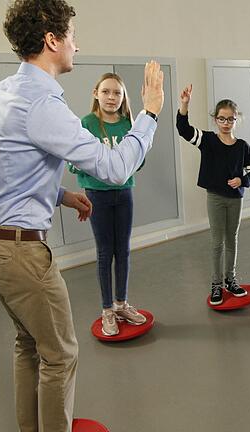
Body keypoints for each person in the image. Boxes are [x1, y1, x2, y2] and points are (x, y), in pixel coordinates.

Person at [0, 1, 164, 430]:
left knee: (29, 343)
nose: (77, 43)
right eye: (71, 34)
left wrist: (62, 195)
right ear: (52, 40)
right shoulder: (43, 105)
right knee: (61, 354)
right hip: (18, 253)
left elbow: (4, 173)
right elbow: (113, 168)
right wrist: (149, 114)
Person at [68, 73, 147, 336]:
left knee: (123, 250)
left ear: (123, 97)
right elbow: (72, 160)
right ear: (96, 93)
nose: (111, 98)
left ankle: (121, 303)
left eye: (117, 93)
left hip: (124, 193)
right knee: (105, 252)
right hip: (97, 195)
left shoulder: (128, 124)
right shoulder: (87, 124)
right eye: (106, 92)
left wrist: (128, 164)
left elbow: (138, 158)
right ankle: (107, 310)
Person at [175, 84, 250, 305]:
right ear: (215, 120)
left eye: (230, 119)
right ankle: (216, 284)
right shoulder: (208, 140)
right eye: (222, 119)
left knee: (232, 240)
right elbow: (184, 129)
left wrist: (243, 180)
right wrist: (184, 104)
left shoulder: (242, 146)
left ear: (236, 120)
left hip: (236, 199)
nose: (226, 123)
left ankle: (230, 279)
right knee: (217, 242)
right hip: (215, 198)